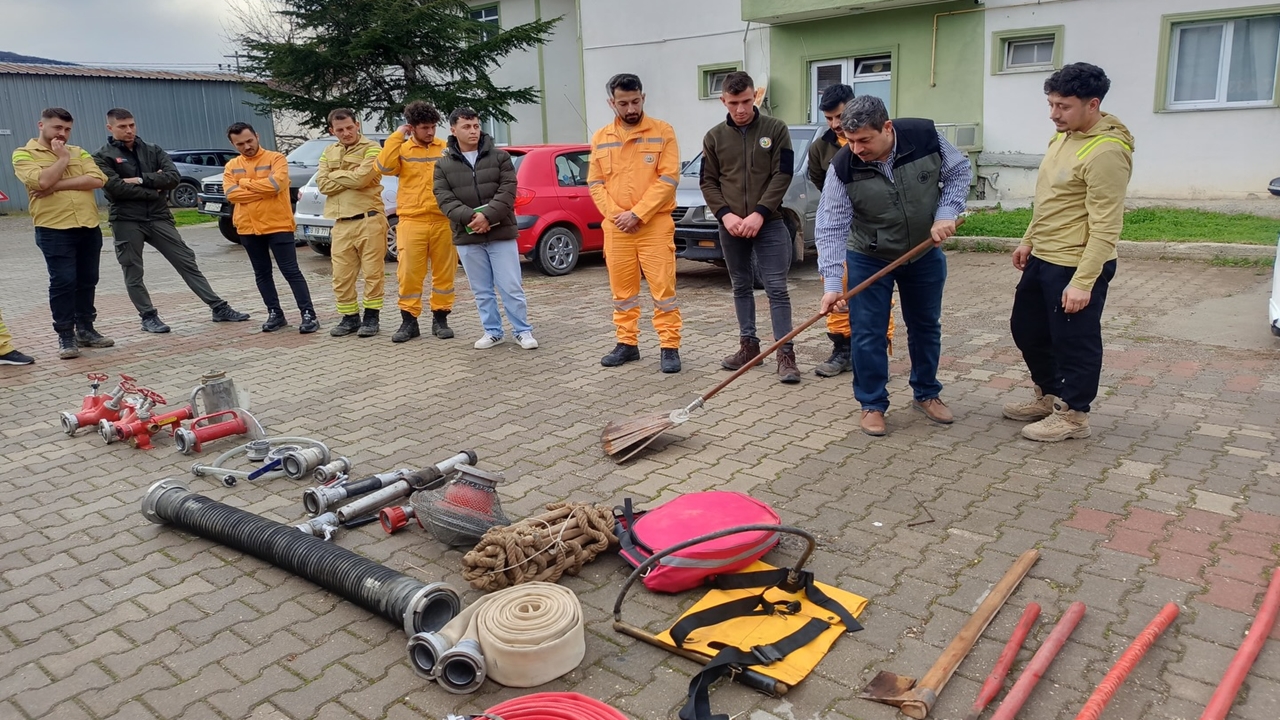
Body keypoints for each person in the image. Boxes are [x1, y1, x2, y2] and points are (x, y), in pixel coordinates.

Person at [815, 95, 970, 437]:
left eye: (864, 140)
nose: (856, 149)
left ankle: (927, 393)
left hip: (923, 251)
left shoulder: (925, 136)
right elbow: (831, 226)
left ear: (887, 128)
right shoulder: (843, 167)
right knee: (868, 332)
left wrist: (947, 213)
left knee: (926, 325)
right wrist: (831, 286)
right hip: (868, 256)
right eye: (850, 140)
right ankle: (871, 403)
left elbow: (959, 171)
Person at [1004, 63, 1133, 442]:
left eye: (1063, 106)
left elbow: (1107, 226)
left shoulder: (1106, 152)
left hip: (1076, 263)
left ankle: (1074, 415)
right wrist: (1029, 238)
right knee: (1027, 329)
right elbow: (1050, 199)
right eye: (1051, 104)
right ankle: (1050, 394)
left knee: (1074, 341)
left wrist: (1083, 282)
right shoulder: (1063, 137)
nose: (1053, 114)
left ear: (1092, 105)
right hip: (1045, 254)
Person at [92, 108, 250, 333]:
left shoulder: (152, 149)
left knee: (186, 260)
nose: (129, 130)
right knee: (133, 270)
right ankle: (148, 317)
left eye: (131, 125)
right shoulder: (101, 156)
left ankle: (218, 307)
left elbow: (173, 178)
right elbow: (115, 188)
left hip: (158, 217)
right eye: (122, 126)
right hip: (126, 220)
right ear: (110, 128)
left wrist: (139, 180)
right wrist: (154, 189)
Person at [700, 71, 800, 383]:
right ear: (723, 101)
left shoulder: (776, 129)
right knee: (740, 286)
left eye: (745, 101)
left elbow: (782, 175)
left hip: (768, 223)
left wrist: (759, 213)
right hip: (730, 226)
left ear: (754, 97)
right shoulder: (714, 137)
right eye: (733, 103)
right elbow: (708, 181)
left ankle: (785, 355)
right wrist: (726, 215)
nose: (740, 109)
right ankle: (749, 348)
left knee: (777, 289)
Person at [588, 73, 683, 373]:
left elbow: (668, 179)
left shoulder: (662, 131)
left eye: (635, 101)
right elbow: (595, 183)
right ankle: (627, 344)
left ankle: (669, 347)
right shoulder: (601, 137)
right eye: (623, 103)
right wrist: (618, 215)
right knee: (622, 293)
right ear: (611, 102)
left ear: (643, 97)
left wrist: (638, 214)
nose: (630, 109)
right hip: (617, 228)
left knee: (663, 291)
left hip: (654, 225)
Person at [807, 84, 896, 378]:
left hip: (874, 235)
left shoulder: (878, 138)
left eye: (840, 116)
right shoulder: (821, 147)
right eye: (829, 119)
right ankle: (842, 349)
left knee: (874, 292)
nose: (836, 125)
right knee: (835, 288)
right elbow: (821, 181)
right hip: (839, 229)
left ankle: (875, 348)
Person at [11, 107, 113, 360]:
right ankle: (65, 335)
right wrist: (63, 160)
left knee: (88, 280)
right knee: (63, 282)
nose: (63, 134)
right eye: (57, 127)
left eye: (67, 129)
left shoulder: (79, 151)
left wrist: (57, 181)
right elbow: (40, 182)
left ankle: (86, 330)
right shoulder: (23, 154)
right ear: (41, 125)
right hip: (53, 228)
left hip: (88, 225)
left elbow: (98, 179)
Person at [433, 108, 538, 350]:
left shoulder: (500, 157)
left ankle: (522, 331)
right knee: (481, 290)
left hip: (501, 233)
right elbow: (444, 198)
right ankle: (492, 331)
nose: (473, 131)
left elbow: (508, 191)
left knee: (511, 286)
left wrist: (487, 216)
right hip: (467, 236)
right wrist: (472, 218)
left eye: (476, 126)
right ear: (453, 130)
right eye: (466, 127)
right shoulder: (443, 164)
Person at [222, 122, 319, 334]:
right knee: (262, 273)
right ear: (233, 144)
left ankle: (308, 314)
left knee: (290, 271)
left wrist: (245, 183)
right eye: (240, 144)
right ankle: (275, 313)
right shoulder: (231, 166)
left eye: (249, 141)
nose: (247, 146)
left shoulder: (276, 159)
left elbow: (276, 185)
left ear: (257, 135)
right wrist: (262, 189)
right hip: (248, 228)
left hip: (278, 224)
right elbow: (231, 194)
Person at [377, 101, 456, 343]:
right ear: (412, 128)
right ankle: (409, 321)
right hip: (412, 220)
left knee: (445, 273)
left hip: (443, 220)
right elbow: (383, 166)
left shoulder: (445, 148)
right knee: (409, 273)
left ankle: (440, 319)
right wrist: (397, 136)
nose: (431, 132)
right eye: (424, 127)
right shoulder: (401, 149)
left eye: (433, 127)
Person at [318, 108, 387, 338]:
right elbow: (322, 185)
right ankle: (349, 318)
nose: (346, 133)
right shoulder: (328, 151)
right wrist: (349, 176)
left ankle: (371, 317)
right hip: (340, 223)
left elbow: (362, 179)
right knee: (341, 275)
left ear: (357, 125)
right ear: (332, 131)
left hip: (369, 219)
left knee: (372, 273)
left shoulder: (373, 148)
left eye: (349, 127)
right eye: (340, 130)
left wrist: (335, 174)